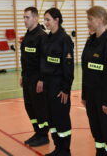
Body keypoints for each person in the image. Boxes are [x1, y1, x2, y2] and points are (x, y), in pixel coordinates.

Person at [82, 6, 107, 156]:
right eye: (88, 19)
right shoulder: (90, 41)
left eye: (90, 19)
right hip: (91, 96)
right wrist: (84, 95)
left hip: (104, 97)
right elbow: (86, 70)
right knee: (96, 130)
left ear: (102, 20)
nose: (88, 23)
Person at [40, 8, 74, 156]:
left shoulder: (64, 39)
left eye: (48, 19)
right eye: (45, 19)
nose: (45, 22)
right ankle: (58, 148)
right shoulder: (48, 38)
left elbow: (68, 66)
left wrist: (66, 88)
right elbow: (44, 62)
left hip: (59, 86)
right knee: (52, 119)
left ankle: (65, 150)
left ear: (57, 20)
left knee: (61, 120)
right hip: (48, 85)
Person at [20, 6, 49, 146]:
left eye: (27, 17)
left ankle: (44, 135)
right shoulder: (27, 35)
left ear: (35, 18)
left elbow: (44, 61)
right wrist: (22, 75)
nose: (25, 20)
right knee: (29, 106)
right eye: (24, 17)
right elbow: (25, 58)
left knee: (39, 108)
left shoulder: (42, 36)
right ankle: (37, 132)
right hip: (27, 78)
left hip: (37, 79)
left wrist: (42, 79)